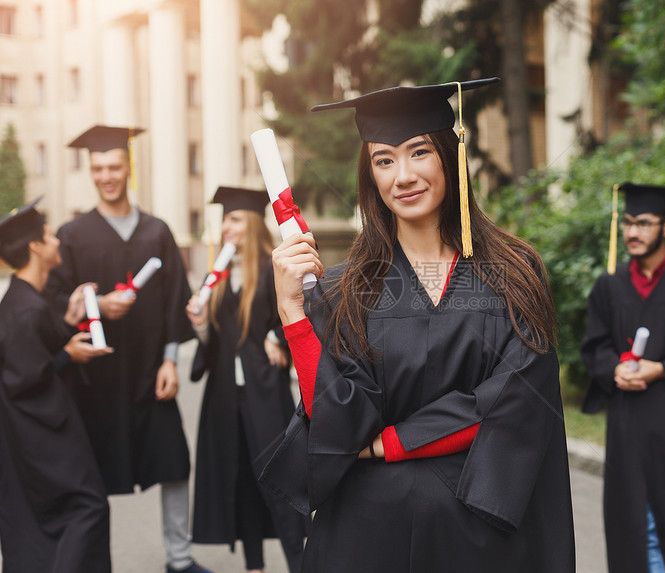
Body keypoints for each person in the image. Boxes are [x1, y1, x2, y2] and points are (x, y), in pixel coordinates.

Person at [257, 77, 577, 572]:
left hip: (476, 540)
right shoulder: (344, 290)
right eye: (384, 159)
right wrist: (293, 315)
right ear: (371, 175)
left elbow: (517, 403)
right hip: (367, 539)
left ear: (450, 156)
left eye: (418, 152)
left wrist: (392, 442)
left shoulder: (514, 273)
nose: (402, 175)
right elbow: (336, 422)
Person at [45, 126, 211, 573]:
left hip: (149, 373)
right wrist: (98, 305)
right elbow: (53, 302)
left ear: (129, 168)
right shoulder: (72, 234)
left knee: (174, 462)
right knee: (90, 476)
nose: (106, 176)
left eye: (114, 166)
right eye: (98, 168)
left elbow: (176, 298)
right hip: (94, 380)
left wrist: (171, 362)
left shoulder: (157, 232)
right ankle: (95, 563)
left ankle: (179, 559)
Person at [580, 182, 665, 573]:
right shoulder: (609, 286)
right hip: (627, 423)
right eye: (627, 223)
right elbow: (594, 346)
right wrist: (614, 369)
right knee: (631, 518)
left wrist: (662, 369)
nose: (632, 232)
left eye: (643, 223)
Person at [185, 187, 307, 573]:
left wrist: (276, 338)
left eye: (234, 219)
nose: (226, 227)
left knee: (278, 485)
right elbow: (213, 345)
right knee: (240, 484)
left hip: (265, 393)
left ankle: (300, 564)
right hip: (224, 397)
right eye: (224, 220)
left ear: (253, 223)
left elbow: (300, 312)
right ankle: (253, 567)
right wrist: (201, 326)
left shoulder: (275, 269)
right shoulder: (216, 277)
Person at [0, 198, 112, 572]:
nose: (56, 241)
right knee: (88, 508)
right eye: (48, 236)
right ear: (34, 246)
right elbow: (23, 377)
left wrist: (68, 322)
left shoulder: (26, 299)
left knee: (46, 522)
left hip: (35, 431)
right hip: (37, 435)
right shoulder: (24, 309)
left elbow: (35, 352)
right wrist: (67, 354)